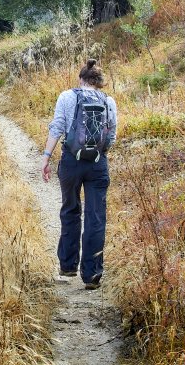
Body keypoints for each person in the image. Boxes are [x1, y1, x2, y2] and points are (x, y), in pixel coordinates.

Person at [39, 59, 118, 289]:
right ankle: (92, 275)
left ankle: (68, 265)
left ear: (81, 79)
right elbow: (111, 135)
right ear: (99, 82)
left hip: (71, 163)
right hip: (98, 164)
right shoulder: (108, 101)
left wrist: (46, 157)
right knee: (96, 216)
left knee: (70, 209)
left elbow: (57, 127)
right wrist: (98, 154)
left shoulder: (67, 96)